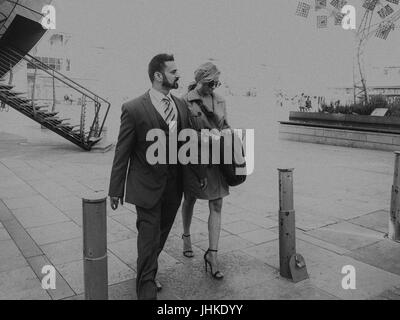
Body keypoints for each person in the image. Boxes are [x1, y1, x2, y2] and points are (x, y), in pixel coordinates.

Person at [108, 54, 206, 300]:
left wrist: (199, 174)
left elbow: (188, 144)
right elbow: (123, 151)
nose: (178, 75)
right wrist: (115, 189)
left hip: (174, 188)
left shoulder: (180, 105)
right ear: (158, 76)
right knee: (148, 239)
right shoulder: (133, 108)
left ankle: (147, 271)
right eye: (173, 72)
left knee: (159, 237)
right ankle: (146, 287)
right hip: (147, 187)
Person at [180, 62, 230, 280]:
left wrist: (227, 134)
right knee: (189, 198)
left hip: (217, 158)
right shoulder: (184, 100)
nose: (214, 86)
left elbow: (225, 125)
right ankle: (186, 235)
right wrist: (206, 137)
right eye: (211, 82)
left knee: (217, 203)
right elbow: (181, 134)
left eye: (217, 82)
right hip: (195, 160)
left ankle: (213, 254)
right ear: (200, 80)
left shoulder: (220, 99)